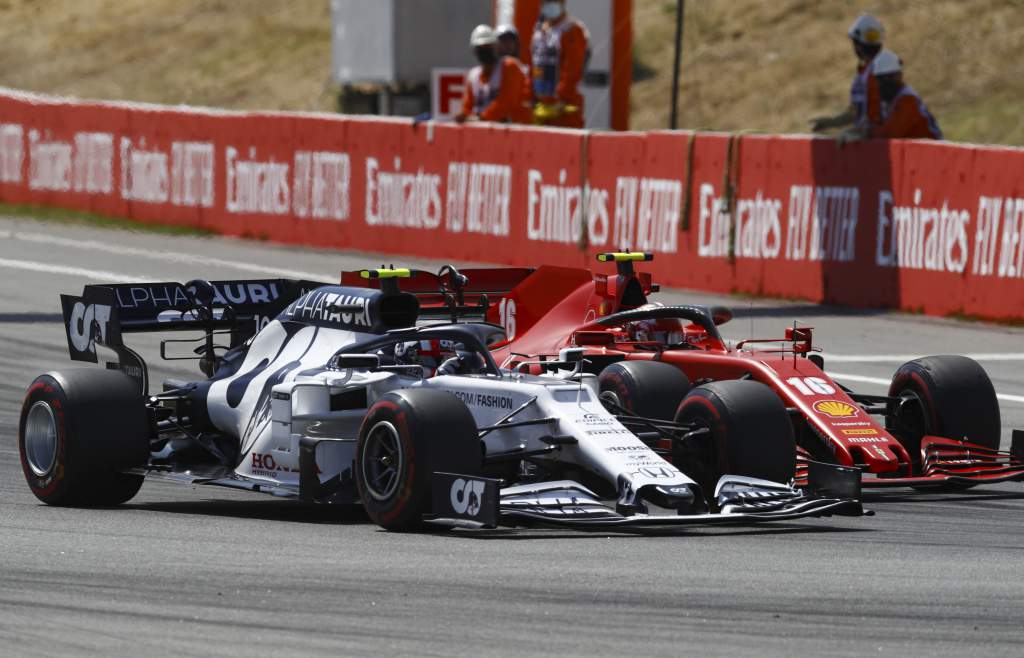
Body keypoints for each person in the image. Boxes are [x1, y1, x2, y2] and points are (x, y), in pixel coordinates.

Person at [811, 14, 885, 133]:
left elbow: (879, 114)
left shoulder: (880, 73)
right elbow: (854, 112)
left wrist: (857, 131)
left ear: (858, 46)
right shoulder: (863, 74)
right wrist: (832, 122)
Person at [530, 0, 590, 128]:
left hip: (563, 108)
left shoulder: (571, 29)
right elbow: (534, 65)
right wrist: (532, 97)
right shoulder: (539, 30)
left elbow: (573, 70)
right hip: (540, 106)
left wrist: (559, 98)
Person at [455, 25, 532, 125]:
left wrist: (482, 118)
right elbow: (467, 106)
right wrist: (464, 115)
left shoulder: (509, 66)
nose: (485, 51)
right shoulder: (474, 75)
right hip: (482, 130)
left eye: (488, 47)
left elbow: (507, 102)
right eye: (481, 48)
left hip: (510, 130)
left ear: (496, 47)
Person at [865, 50, 942, 140]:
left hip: (931, 151)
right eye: (880, 80)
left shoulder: (908, 99)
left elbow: (890, 133)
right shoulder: (888, 101)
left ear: (899, 76)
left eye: (889, 77)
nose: (883, 84)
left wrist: (866, 132)